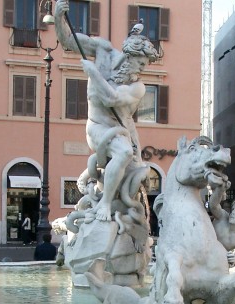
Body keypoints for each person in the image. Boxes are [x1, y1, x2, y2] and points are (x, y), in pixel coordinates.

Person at [54, 0, 160, 223]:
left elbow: (111, 98)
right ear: (129, 56)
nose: (142, 69)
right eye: (141, 63)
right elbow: (68, 40)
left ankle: (108, 202)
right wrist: (58, 17)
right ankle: (104, 202)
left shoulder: (137, 87)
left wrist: (93, 74)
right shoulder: (102, 50)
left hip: (122, 130)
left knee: (129, 163)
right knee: (122, 153)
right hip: (97, 125)